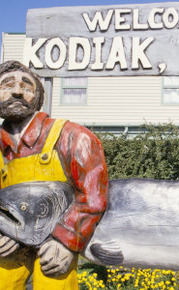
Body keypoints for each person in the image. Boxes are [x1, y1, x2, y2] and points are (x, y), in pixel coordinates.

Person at [0, 60, 108, 289]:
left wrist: (67, 240)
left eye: (27, 86)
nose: (17, 91)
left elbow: (92, 196)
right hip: (10, 243)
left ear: (38, 96)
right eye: (7, 85)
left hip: (56, 239)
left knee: (52, 282)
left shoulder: (72, 136)